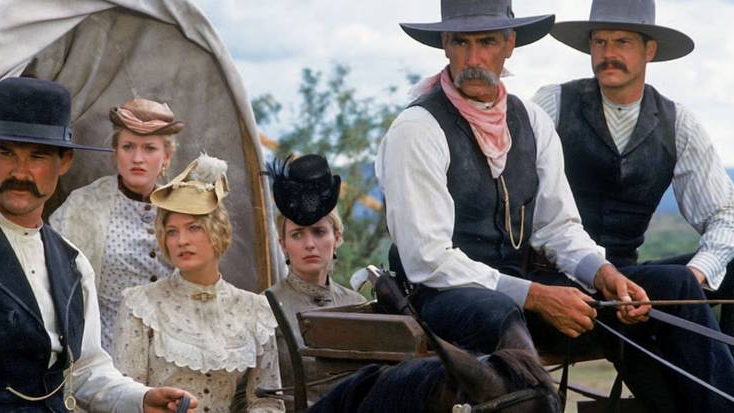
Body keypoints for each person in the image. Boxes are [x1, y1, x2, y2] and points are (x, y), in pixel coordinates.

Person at [377, 0, 648, 359]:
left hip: (520, 295)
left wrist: (601, 272)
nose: (473, 59)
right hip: (441, 300)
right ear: (445, 43)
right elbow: (427, 260)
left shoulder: (532, 121)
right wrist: (535, 296)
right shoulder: (417, 130)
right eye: (461, 43)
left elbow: (558, 227)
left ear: (510, 44)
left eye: (486, 42)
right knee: (499, 312)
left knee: (664, 289)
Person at [0, 77, 196, 412]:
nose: (20, 171)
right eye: (7, 152)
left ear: (64, 162)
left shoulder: (72, 262)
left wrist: (142, 399)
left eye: (38, 156)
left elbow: (85, 372)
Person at [529, 1, 734, 410]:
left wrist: (698, 273)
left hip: (629, 275)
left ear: (649, 50)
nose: (608, 54)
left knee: (707, 272)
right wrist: (681, 283)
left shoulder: (679, 123)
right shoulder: (552, 104)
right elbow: (518, 197)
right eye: (600, 42)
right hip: (556, 279)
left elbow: (725, 216)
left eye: (622, 42)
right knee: (675, 284)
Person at [112, 153, 285, 413]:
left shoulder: (255, 310)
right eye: (172, 231)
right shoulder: (141, 305)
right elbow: (125, 396)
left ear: (218, 231)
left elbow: (267, 401)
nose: (182, 240)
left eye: (194, 228)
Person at [51, 98, 180, 352]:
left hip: (171, 352)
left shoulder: (184, 207)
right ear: (115, 152)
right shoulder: (84, 205)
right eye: (128, 147)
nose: (138, 158)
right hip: (105, 351)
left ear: (166, 156)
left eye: (149, 148)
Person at [265, 154, 367, 406]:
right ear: (283, 245)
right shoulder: (264, 307)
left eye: (319, 232)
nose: (310, 244)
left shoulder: (360, 305)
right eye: (297, 234)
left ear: (337, 237)